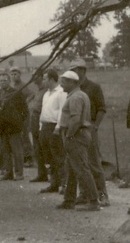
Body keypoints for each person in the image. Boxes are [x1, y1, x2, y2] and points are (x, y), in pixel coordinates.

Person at [56, 70, 99, 210]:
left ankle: (93, 201)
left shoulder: (75, 98)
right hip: (77, 135)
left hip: (75, 136)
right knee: (72, 169)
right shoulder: (78, 95)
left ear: (71, 82)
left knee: (81, 169)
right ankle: (69, 200)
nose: (61, 84)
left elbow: (75, 119)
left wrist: (68, 136)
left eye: (63, 81)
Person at [71, 62, 110, 206]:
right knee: (81, 162)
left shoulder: (94, 87)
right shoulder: (72, 88)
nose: (73, 72)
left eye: (75, 69)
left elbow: (101, 108)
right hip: (75, 128)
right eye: (71, 70)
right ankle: (84, 193)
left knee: (94, 162)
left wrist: (96, 126)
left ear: (82, 70)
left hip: (89, 127)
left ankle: (102, 194)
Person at [0, 71, 28, 180]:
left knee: (17, 151)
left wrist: (19, 122)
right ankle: (8, 172)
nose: (3, 83)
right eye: (1, 81)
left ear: (9, 81)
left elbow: (24, 110)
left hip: (14, 127)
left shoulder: (16, 93)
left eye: (5, 80)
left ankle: (19, 174)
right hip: (3, 127)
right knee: (5, 151)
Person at [36, 69, 66, 193]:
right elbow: (44, 111)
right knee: (48, 157)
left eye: (44, 78)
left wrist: (58, 127)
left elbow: (62, 111)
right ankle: (54, 183)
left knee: (58, 156)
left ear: (52, 79)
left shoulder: (60, 92)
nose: (43, 81)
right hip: (45, 127)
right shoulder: (46, 94)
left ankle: (64, 184)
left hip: (54, 127)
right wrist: (40, 126)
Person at [9, 67, 37, 166]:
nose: (13, 76)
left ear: (19, 75)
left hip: (23, 114)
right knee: (17, 136)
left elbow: (31, 94)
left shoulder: (23, 85)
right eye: (12, 74)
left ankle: (29, 158)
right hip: (15, 114)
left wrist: (24, 103)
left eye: (15, 74)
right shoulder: (12, 85)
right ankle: (22, 158)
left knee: (25, 135)